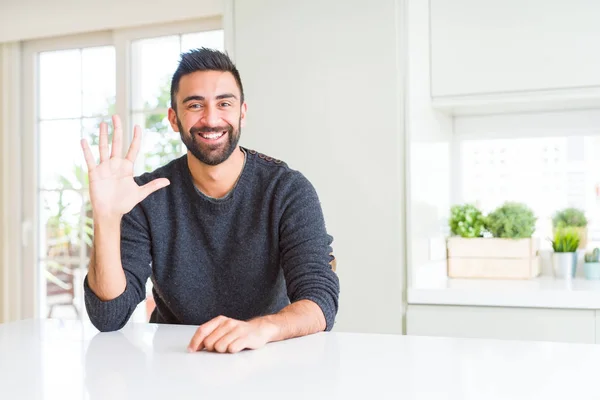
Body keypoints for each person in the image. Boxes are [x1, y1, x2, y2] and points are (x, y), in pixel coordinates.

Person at [81, 48, 340, 354]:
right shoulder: (147, 195)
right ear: (174, 119)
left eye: (224, 103)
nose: (211, 118)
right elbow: (108, 316)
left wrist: (262, 328)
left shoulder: (287, 190)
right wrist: (107, 219)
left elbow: (320, 300)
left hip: (269, 356)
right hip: (177, 359)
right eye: (195, 105)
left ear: (242, 112)